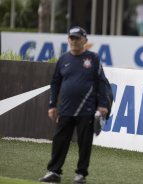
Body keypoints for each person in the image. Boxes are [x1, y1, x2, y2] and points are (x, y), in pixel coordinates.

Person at [39, 26, 109, 184]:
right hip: (65, 109)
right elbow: (55, 82)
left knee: (84, 144)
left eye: (77, 38)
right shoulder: (63, 59)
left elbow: (102, 82)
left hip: (87, 109)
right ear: (68, 39)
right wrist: (52, 105)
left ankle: (81, 175)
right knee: (59, 142)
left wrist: (103, 104)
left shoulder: (93, 58)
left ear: (85, 40)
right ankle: (54, 172)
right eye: (72, 38)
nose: (74, 41)